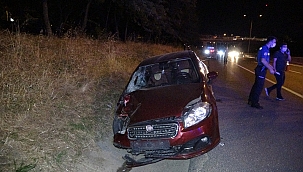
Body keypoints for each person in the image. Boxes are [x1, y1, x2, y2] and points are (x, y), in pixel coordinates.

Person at [248, 36, 277, 109]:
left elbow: (266, 61)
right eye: (274, 42)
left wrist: (272, 67)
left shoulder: (266, 49)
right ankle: (254, 103)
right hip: (261, 69)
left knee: (256, 85)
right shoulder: (265, 49)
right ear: (270, 41)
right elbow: (263, 60)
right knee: (259, 87)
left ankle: (251, 100)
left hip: (260, 69)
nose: (275, 44)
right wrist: (270, 69)